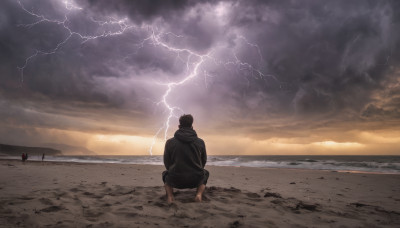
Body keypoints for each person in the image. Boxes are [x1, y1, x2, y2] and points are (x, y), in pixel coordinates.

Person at [162, 114, 209, 203]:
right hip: (195, 179)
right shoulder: (200, 142)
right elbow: (204, 160)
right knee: (205, 173)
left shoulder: (169, 142)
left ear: (179, 126)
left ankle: (170, 196)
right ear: (192, 126)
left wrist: (172, 170)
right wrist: (198, 169)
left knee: (165, 174)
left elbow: (166, 162)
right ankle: (199, 195)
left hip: (175, 179)